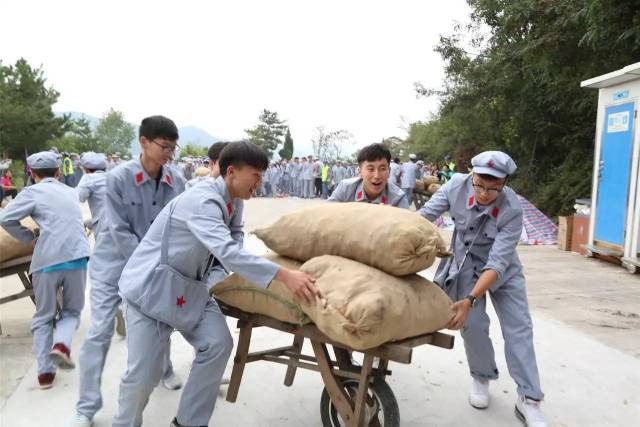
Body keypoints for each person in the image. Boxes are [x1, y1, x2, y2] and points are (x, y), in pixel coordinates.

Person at [112, 141, 320, 427]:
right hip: (151, 290)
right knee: (143, 376)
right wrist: (284, 276)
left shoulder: (234, 200)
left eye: (262, 176)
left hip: (190, 288)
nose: (259, 183)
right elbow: (228, 250)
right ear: (231, 171)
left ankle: (188, 422)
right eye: (255, 176)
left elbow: (234, 236)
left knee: (217, 343)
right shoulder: (203, 200)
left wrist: (221, 272)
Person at [418, 151, 547, 427]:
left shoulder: (512, 208)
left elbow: (498, 263)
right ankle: (481, 376)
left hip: (502, 271)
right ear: (471, 175)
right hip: (465, 265)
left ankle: (529, 398)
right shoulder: (455, 185)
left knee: (518, 328)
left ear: (505, 183)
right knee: (473, 325)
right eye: (479, 185)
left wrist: (469, 299)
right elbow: (424, 216)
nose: (485, 193)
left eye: (493, 188)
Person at [72, 116, 186, 427]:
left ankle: (164, 368)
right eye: (164, 146)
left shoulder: (175, 181)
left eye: (173, 149)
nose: (169, 154)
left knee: (161, 322)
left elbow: (178, 224)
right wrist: (150, 265)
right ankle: (87, 406)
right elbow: (120, 231)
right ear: (144, 142)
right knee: (99, 332)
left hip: (154, 266)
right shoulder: (118, 178)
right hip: (114, 265)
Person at [0, 152, 91, 389]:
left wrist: (28, 237)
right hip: (77, 256)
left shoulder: (31, 192)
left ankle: (45, 374)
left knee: (43, 317)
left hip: (47, 260)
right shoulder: (71, 192)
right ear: (59, 172)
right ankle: (61, 345)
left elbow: (6, 218)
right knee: (71, 312)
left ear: (32, 173)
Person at [329, 143, 408, 208]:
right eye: (370, 169)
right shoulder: (345, 189)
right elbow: (327, 214)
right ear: (360, 172)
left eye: (382, 169)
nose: (377, 176)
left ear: (389, 171)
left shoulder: (398, 197)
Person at [76, 152, 107, 238]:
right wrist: (90, 222)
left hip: (103, 228)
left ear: (86, 170)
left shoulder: (88, 178)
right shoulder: (112, 176)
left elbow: (78, 197)